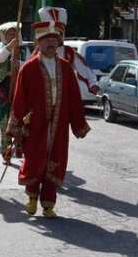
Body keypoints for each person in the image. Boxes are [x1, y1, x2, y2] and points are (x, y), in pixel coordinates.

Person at [7, 19, 91, 218]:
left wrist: (78, 124)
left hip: (59, 123)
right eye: (46, 40)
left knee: (55, 160)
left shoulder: (65, 67)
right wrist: (17, 126)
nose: (51, 44)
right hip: (34, 123)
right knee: (35, 159)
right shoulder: (28, 68)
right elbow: (19, 98)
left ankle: (48, 203)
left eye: (54, 40)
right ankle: (32, 195)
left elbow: (74, 98)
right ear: (38, 42)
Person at [38, 7, 101, 99]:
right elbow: (29, 68)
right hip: (43, 93)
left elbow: (84, 69)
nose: (57, 38)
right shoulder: (39, 51)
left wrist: (93, 83)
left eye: (59, 34)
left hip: (64, 94)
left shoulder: (69, 52)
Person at [0, 21, 26, 161]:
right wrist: (10, 47)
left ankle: (19, 145)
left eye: (14, 34)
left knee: (21, 120)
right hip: (4, 90)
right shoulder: (0, 48)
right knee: (4, 121)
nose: (12, 36)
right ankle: (6, 152)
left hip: (20, 89)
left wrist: (20, 64)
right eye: (9, 34)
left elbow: (30, 64)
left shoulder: (23, 50)